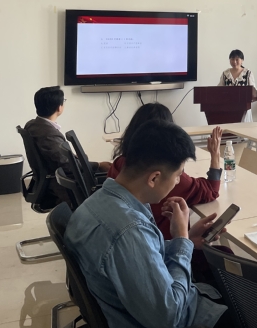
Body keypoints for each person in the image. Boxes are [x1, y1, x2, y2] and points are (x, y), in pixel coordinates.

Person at [65, 119, 230, 328]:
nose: (178, 182)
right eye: (178, 175)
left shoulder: (94, 203)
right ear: (154, 178)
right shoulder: (129, 231)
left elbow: (134, 257)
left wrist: (186, 240)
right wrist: (181, 240)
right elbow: (169, 317)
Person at [108, 103, 223, 239]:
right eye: (177, 176)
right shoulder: (166, 177)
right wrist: (215, 155)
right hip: (166, 245)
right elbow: (211, 190)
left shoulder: (120, 164)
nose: (177, 180)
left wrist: (189, 238)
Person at [24, 86, 111, 206]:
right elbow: (68, 165)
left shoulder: (32, 125)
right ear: (59, 107)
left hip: (51, 178)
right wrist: (98, 165)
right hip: (63, 183)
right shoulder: (48, 133)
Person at [222, 49, 256, 122]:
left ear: (242, 60)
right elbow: (219, 90)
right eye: (232, 59)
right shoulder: (225, 74)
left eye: (237, 59)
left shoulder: (248, 73)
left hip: (244, 109)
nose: (234, 62)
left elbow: (254, 91)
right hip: (229, 108)